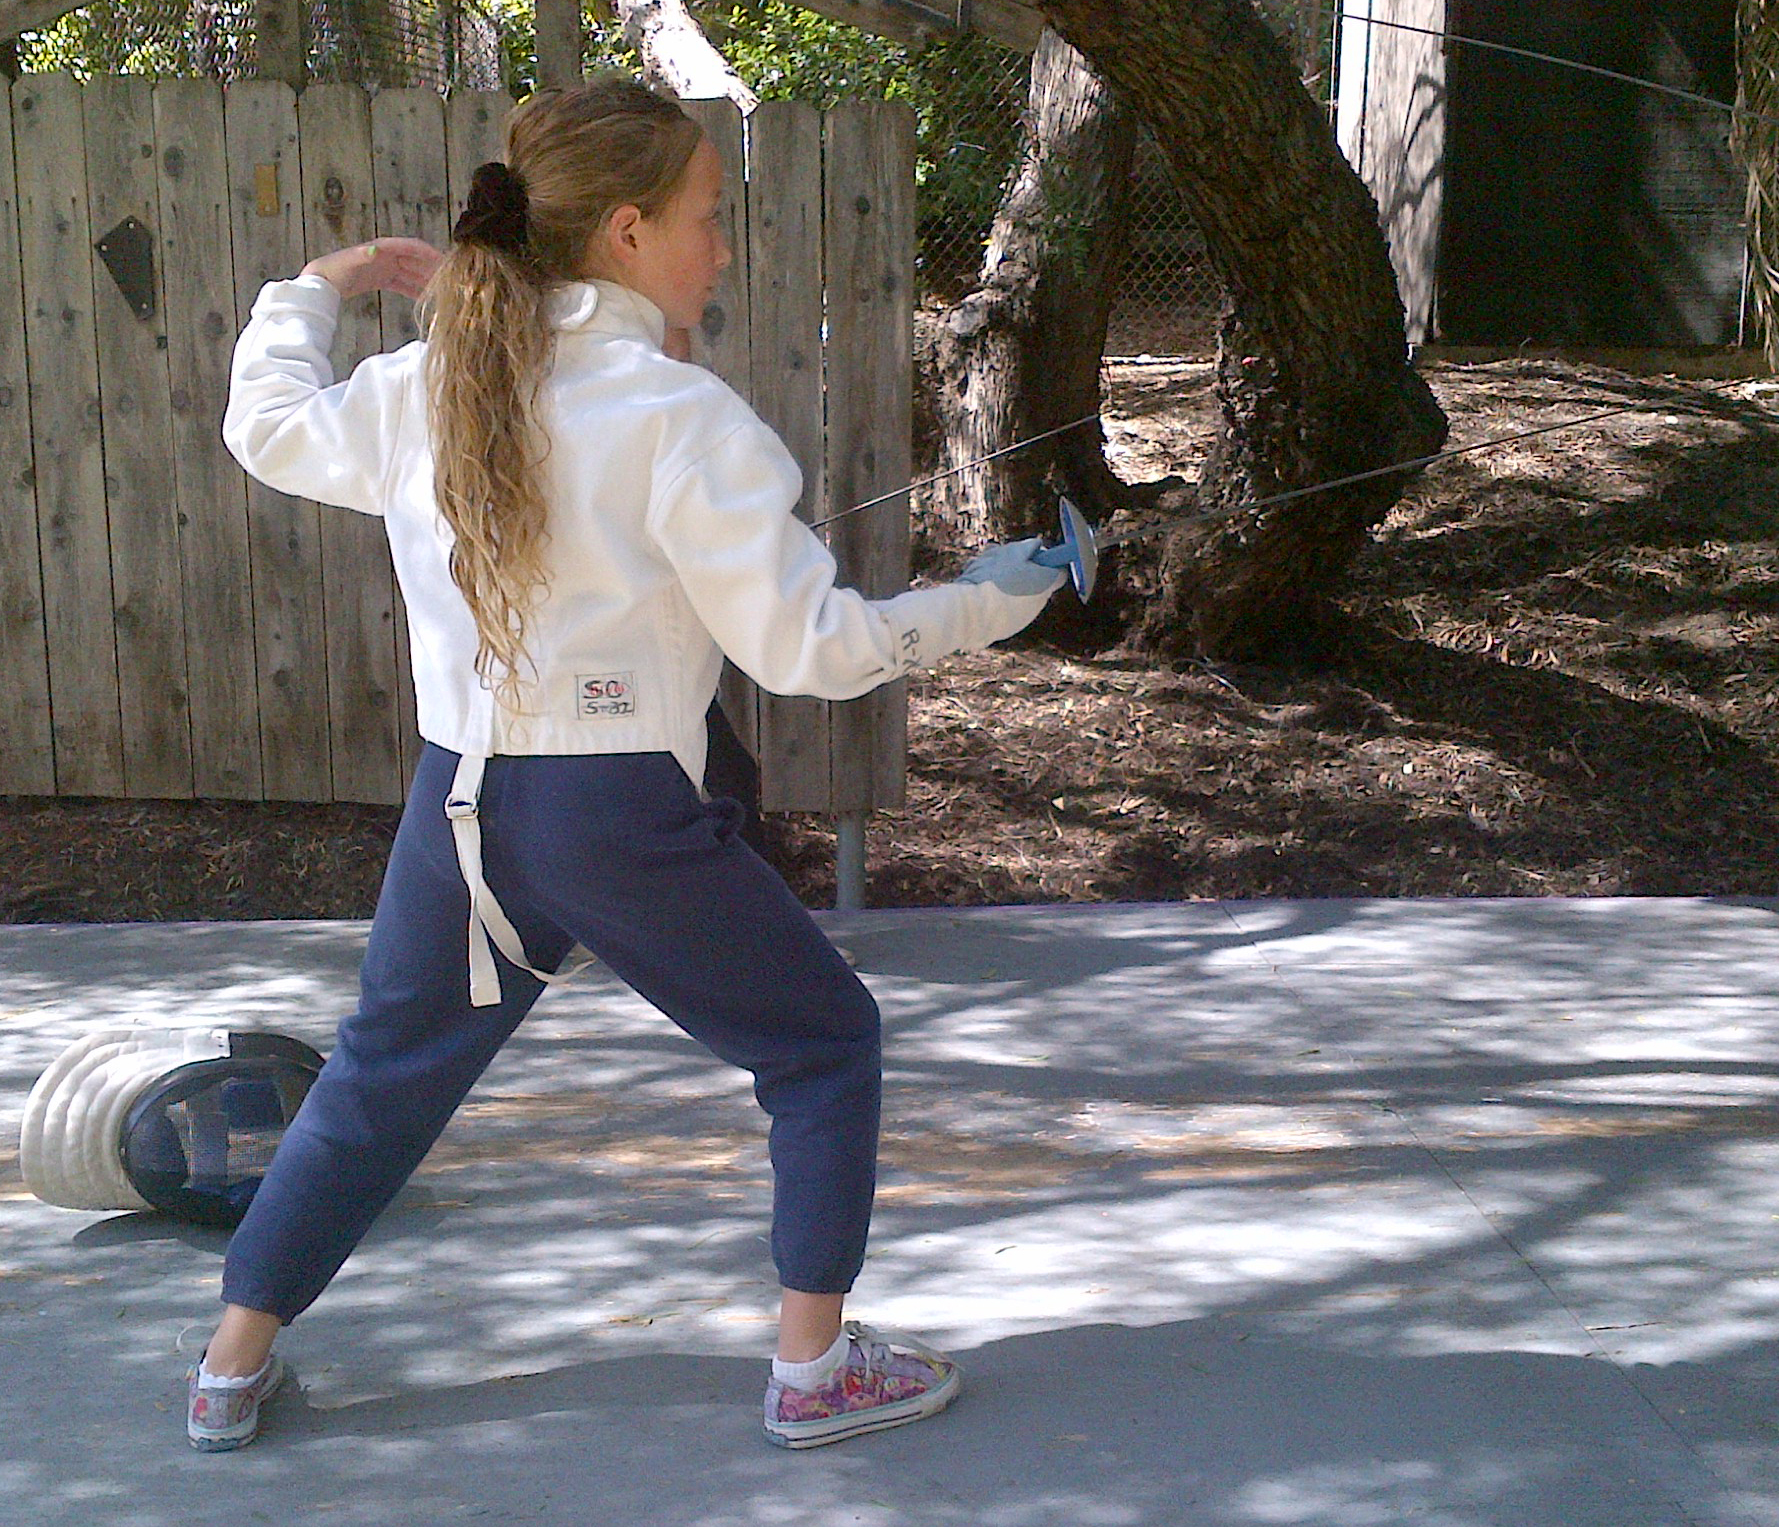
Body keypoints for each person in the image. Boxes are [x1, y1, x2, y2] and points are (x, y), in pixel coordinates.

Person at [189, 75, 1063, 1455]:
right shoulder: (680, 418)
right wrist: (990, 600)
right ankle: (815, 1370)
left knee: (380, 1074)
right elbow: (815, 654)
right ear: (629, 232)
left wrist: (320, 280)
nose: (723, 247)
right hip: (616, 818)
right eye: (711, 218)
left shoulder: (425, 387)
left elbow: (266, 422)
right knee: (825, 1044)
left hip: (457, 810)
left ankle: (229, 1370)